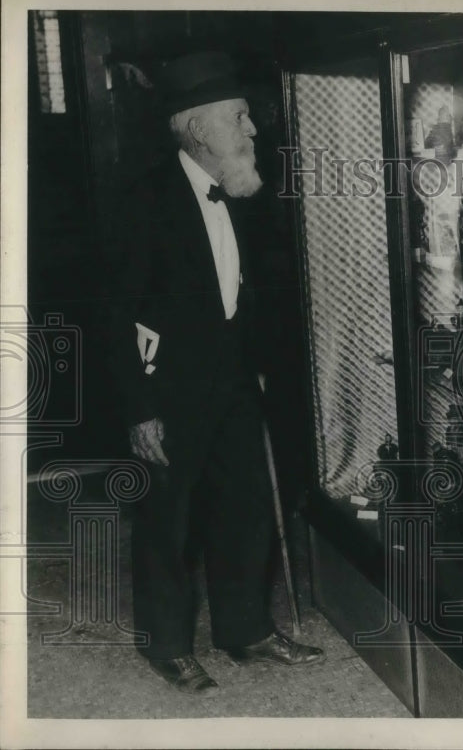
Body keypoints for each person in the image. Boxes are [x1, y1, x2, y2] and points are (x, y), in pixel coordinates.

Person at [106, 51, 323, 696]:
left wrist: (258, 366)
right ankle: (167, 644)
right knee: (168, 520)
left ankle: (246, 630)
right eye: (240, 118)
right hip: (169, 389)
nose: (252, 130)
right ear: (199, 130)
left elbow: (252, 289)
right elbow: (117, 313)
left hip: (234, 381)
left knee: (246, 507)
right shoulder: (143, 197)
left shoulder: (242, 190)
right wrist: (139, 408)